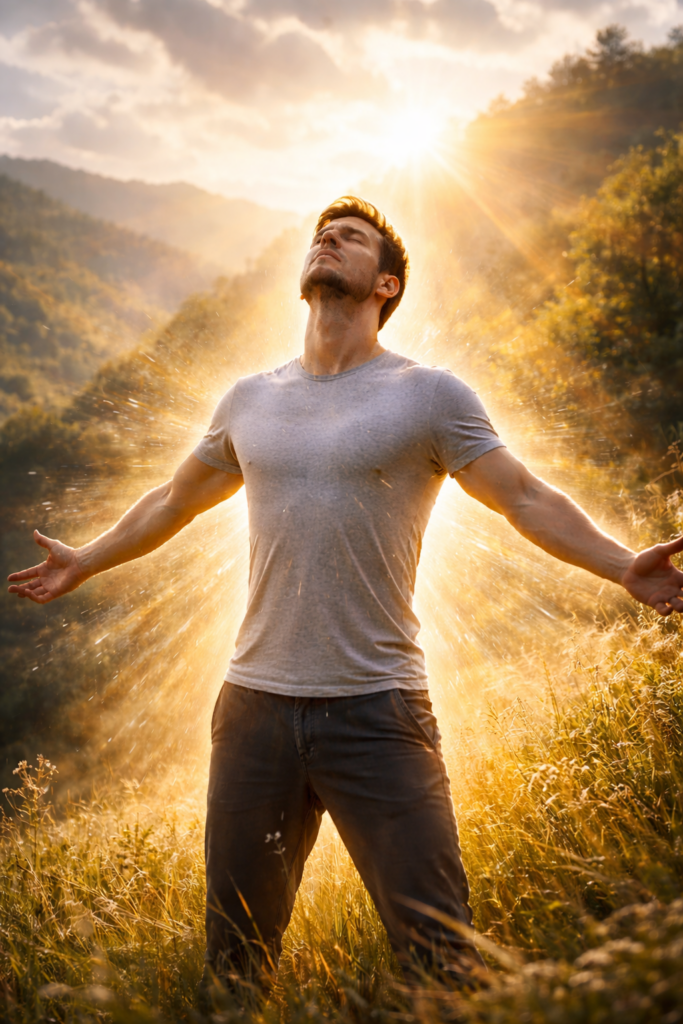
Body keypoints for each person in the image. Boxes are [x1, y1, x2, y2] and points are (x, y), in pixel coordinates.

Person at [8, 196, 683, 989]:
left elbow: (524, 496)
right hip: (252, 712)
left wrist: (619, 565)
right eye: (322, 235)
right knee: (233, 965)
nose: (328, 240)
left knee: (439, 956)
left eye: (351, 238)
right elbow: (171, 500)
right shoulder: (250, 398)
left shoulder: (428, 395)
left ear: (385, 285)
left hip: (377, 712)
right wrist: (84, 559)